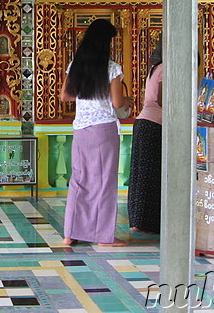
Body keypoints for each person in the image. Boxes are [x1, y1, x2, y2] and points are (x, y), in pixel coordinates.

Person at [60, 19, 133, 247]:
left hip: (81, 128)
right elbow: (117, 101)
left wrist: (86, 96)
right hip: (103, 129)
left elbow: (65, 96)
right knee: (103, 182)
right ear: (106, 43)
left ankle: (70, 234)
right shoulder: (112, 68)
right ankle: (103, 237)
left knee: (79, 180)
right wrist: (129, 100)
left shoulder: (76, 65)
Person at [127, 38, 163, 235]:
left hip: (144, 123)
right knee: (151, 176)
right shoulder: (166, 68)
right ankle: (148, 223)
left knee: (141, 176)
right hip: (154, 125)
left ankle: (137, 221)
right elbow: (166, 100)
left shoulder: (155, 68)